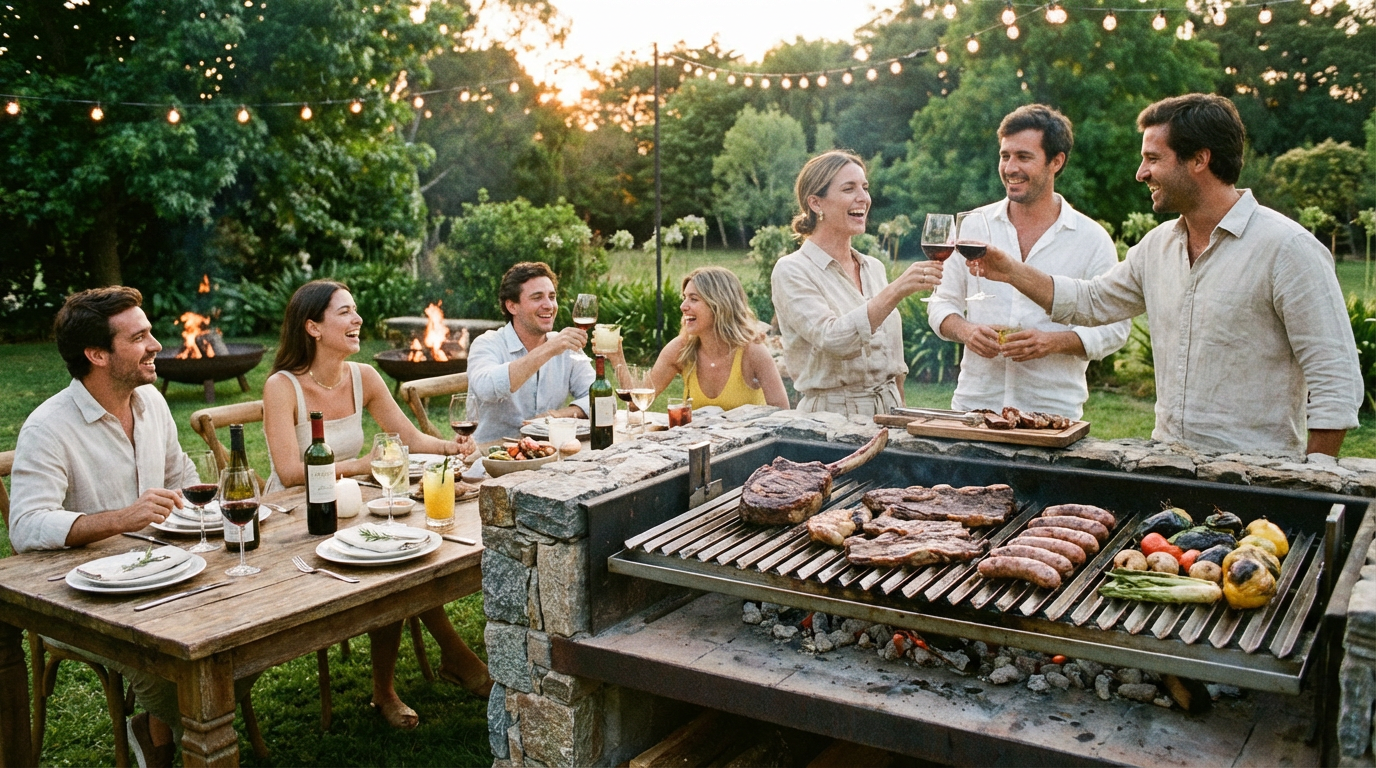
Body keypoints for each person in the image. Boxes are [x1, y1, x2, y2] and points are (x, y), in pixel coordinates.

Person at [971, 93, 1362, 455]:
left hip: (1258, 473)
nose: (1141, 173)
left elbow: (1335, 376)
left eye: (1153, 159)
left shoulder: (1288, 248)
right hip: (1168, 463)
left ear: (1199, 159)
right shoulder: (1157, 247)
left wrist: (1316, 476)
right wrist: (1011, 271)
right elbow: (1090, 302)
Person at [9, 286, 255, 767]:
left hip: (168, 571)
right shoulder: (47, 427)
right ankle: (178, 730)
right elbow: (26, 524)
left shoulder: (151, 404)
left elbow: (182, 477)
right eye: (138, 337)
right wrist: (121, 519)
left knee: (249, 630)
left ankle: (157, 728)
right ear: (97, 354)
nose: (156, 345)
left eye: (150, 333)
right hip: (89, 601)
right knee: (177, 676)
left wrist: (224, 505)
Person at [262, 280, 489, 730]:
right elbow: (289, 473)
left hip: (353, 507)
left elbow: (411, 439)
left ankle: (404, 681)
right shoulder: (281, 386)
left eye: (355, 310)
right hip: (295, 520)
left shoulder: (362, 376)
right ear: (313, 327)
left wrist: (453, 447)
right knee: (392, 562)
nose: (357, 319)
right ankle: (442, 665)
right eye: (344, 312)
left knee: (401, 556)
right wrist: (361, 464)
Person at [927, 104, 1129, 420]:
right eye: (1005, 156)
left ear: (1056, 161)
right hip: (974, 409)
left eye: (1023, 157)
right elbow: (940, 303)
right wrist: (966, 331)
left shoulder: (1092, 239)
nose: (1010, 168)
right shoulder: (974, 226)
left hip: (1051, 415)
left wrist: (1052, 343)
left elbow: (1115, 328)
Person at [771, 150, 943, 416]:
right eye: (849, 188)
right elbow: (833, 339)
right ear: (816, 203)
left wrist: (902, 414)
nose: (863, 198)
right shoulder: (792, 270)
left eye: (865, 187)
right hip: (830, 417)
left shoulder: (873, 268)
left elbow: (894, 361)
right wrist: (897, 290)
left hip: (890, 410)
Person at [606, 267, 789, 410]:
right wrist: (617, 358)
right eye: (684, 298)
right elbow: (636, 403)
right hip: (696, 446)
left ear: (719, 305)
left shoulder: (752, 351)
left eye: (693, 299)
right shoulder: (680, 349)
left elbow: (781, 413)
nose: (683, 306)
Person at [467, 261, 595, 443]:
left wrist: (556, 416)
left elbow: (602, 399)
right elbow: (487, 389)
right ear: (512, 306)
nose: (549, 305)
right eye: (537, 298)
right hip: (492, 454)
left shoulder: (564, 346)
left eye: (552, 297)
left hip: (549, 452)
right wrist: (548, 349)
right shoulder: (487, 343)